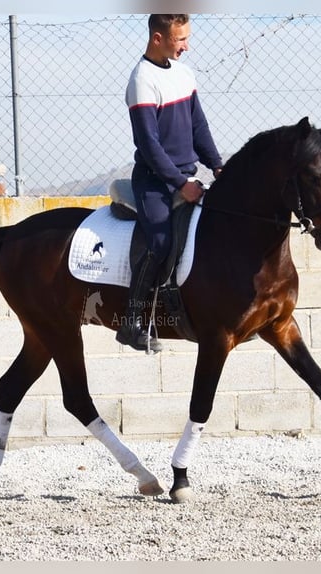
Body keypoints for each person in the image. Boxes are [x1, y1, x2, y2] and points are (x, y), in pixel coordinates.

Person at [116, 13, 224, 353]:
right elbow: (150, 147)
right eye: (180, 40)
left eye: (187, 38)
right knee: (160, 242)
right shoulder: (141, 80)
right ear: (158, 38)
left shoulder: (184, 73)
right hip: (153, 182)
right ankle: (132, 323)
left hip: (184, 176)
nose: (186, 46)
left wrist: (218, 165)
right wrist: (180, 184)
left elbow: (199, 127)